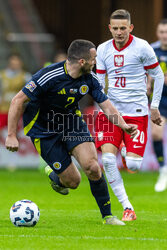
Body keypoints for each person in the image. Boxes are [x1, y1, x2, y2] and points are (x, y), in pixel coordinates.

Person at [5, 39, 137, 225]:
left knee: (92, 167)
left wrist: (124, 126)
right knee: (73, 182)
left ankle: (108, 216)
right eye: (93, 59)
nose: (95, 62)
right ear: (82, 62)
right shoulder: (48, 76)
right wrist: (11, 135)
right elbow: (17, 101)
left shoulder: (90, 79)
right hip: (43, 129)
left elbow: (106, 106)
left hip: (71, 122)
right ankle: (55, 175)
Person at [95, 9, 164, 221]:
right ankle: (127, 208)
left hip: (137, 112)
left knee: (133, 166)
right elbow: (99, 81)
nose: (118, 32)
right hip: (110, 112)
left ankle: (125, 150)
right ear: (109, 28)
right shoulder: (103, 49)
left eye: (123, 28)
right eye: (115, 28)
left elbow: (158, 75)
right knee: (107, 160)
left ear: (130, 28)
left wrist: (154, 106)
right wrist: (101, 104)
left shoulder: (142, 47)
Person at [147, 19, 167, 192]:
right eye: (162, 32)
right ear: (157, 33)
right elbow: (146, 72)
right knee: (156, 133)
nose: (165, 35)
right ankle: (163, 170)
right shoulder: (152, 50)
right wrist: (148, 83)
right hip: (161, 100)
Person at [0, 54, 31, 131]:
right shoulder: (1, 75)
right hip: (4, 109)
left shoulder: (26, 77)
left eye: (17, 63)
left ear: (21, 63)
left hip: (18, 109)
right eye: (13, 63)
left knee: (16, 131)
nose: (15, 65)